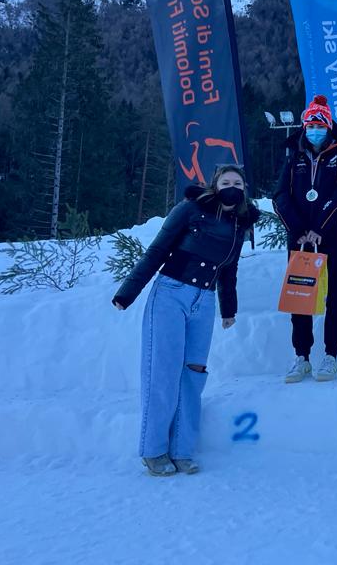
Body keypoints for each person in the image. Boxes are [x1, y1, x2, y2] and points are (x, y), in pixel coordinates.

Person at [113, 164, 259, 477]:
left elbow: (229, 271)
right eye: (226, 181)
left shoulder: (239, 224)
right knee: (162, 371)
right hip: (171, 293)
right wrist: (127, 293)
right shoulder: (190, 210)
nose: (232, 187)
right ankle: (153, 450)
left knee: (193, 373)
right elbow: (157, 250)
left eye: (238, 183)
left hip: (204, 301)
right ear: (215, 185)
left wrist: (229, 310)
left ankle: (182, 449)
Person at [274, 95, 337, 384]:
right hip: (300, 241)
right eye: (310, 126)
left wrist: (320, 227)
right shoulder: (294, 158)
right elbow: (280, 196)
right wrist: (298, 229)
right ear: (304, 127)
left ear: (329, 127)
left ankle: (331, 355)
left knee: (335, 296)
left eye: (320, 126)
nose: (314, 131)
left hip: (332, 238)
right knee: (300, 298)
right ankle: (302, 356)